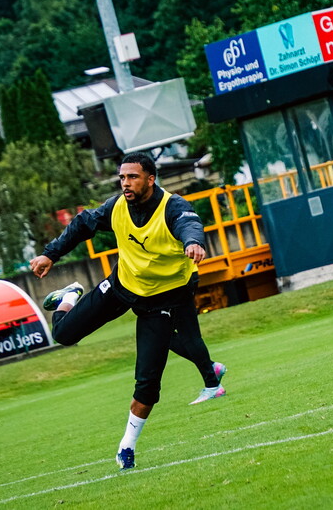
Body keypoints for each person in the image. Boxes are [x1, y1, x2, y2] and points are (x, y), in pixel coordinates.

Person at [28, 152, 226, 470]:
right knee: (63, 334)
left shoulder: (172, 206)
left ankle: (126, 446)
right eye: (122, 177)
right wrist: (50, 254)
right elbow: (82, 224)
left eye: (132, 177)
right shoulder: (117, 206)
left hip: (160, 303)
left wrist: (193, 242)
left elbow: (190, 225)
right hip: (121, 286)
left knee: (147, 385)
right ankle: (70, 295)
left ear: (151, 178)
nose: (125, 183)